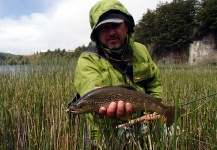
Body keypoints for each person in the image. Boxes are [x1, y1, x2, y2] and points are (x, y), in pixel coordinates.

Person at [73, 0, 163, 148]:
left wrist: (154, 108)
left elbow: (154, 82)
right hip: (106, 129)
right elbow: (88, 84)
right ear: (97, 33)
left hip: (145, 122)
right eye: (104, 28)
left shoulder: (141, 50)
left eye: (115, 25)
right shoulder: (87, 58)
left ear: (126, 26)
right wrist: (94, 91)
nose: (111, 32)